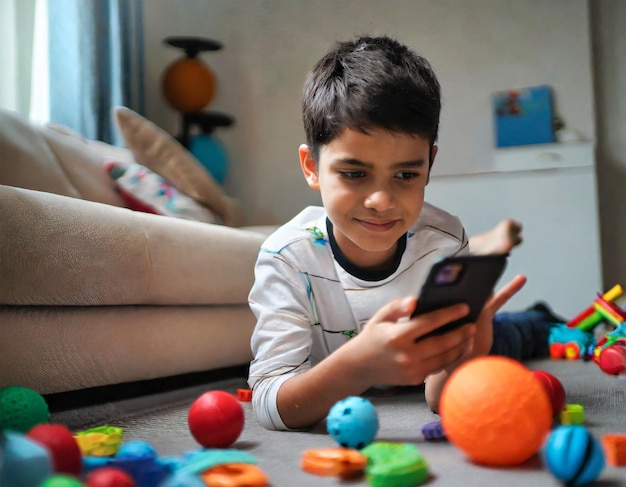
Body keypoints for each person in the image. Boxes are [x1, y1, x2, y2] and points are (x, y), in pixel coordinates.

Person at [247, 35, 559, 431]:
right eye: (354, 174)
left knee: (509, 336)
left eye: (406, 175)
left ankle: (541, 319)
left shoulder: (443, 241)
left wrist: (469, 352)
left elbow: (440, 398)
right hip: (361, 366)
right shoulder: (287, 258)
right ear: (311, 167)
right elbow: (271, 406)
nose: (381, 200)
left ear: (429, 165)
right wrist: (360, 365)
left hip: (438, 359)